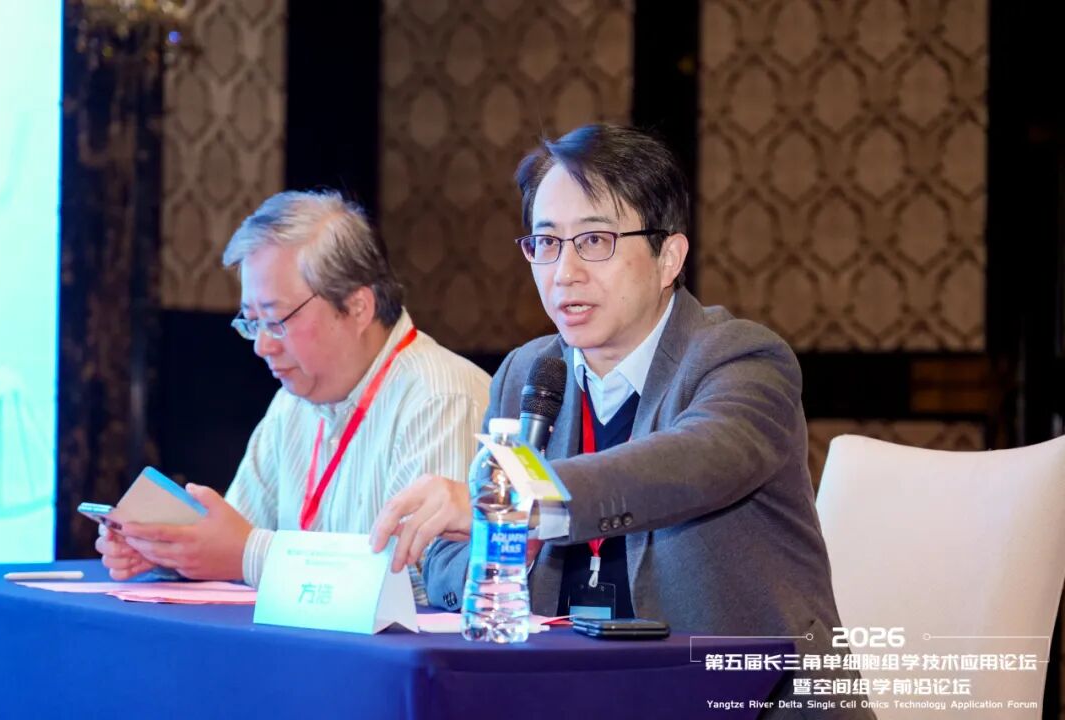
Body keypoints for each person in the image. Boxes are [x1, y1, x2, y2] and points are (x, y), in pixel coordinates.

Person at [370, 124, 872, 716]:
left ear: (669, 257)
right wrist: (499, 550)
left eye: (595, 240)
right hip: (572, 697)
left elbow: (694, 462)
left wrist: (528, 502)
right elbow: (457, 555)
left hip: (747, 701)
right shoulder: (529, 374)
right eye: (546, 242)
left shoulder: (741, 360)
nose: (564, 272)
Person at [97, 190, 490, 603]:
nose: (261, 345)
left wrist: (248, 554)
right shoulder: (293, 401)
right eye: (252, 322)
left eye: (276, 320)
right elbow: (233, 535)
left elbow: (421, 581)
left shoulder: (442, 396)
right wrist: (169, 552)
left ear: (357, 307)